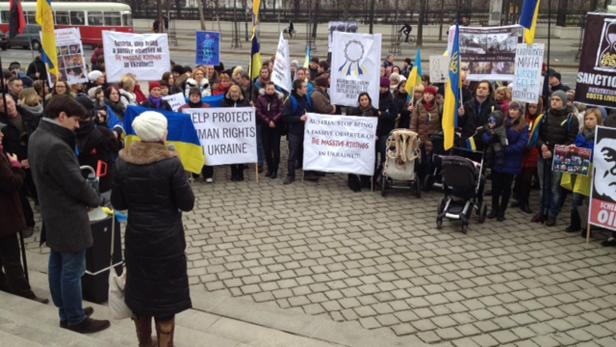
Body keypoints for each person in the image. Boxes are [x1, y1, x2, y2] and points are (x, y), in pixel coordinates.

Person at [111, 111, 194, 347]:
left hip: (138, 238)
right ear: (160, 133)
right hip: (167, 239)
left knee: (140, 295)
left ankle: (144, 343)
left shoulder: (122, 161)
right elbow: (187, 203)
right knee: (166, 298)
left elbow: (119, 203)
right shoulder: (171, 162)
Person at [28, 95, 110, 333]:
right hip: (68, 215)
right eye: (75, 120)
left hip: (54, 212)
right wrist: (95, 200)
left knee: (58, 263)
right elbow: (76, 183)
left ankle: (67, 311)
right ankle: (75, 318)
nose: (77, 126)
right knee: (72, 269)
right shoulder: (55, 145)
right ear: (61, 116)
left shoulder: (37, 136)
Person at [0, 121, 48, 304]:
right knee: (11, 256)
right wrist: (17, 167)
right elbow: (11, 182)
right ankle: (24, 292)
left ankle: (4, 283)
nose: (2, 135)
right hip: (5, 215)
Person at [533, 90, 579, 226]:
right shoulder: (544, 116)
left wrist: (553, 152)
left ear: (564, 102)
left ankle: (552, 214)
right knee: (543, 186)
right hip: (543, 156)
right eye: (553, 99)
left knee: (555, 188)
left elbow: (570, 140)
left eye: (558, 100)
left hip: (559, 158)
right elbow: (537, 135)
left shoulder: (571, 119)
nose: (554, 102)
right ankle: (543, 211)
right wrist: (542, 146)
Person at [483, 104, 529, 221]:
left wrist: (508, 149)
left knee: (506, 187)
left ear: (520, 112)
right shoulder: (501, 121)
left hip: (511, 160)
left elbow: (522, 143)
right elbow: (487, 135)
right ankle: (494, 208)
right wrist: (491, 137)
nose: (512, 112)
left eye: (515, 110)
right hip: (498, 159)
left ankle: (502, 210)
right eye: (510, 109)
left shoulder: (523, 125)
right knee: (495, 186)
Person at [74, 95, 120, 201]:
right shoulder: (103, 132)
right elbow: (115, 148)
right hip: (104, 182)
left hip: (80, 184)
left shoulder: (67, 132)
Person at [564, 109, 602, 234]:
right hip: (580, 169)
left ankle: (587, 227)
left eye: (591, 119)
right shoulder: (581, 133)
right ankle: (574, 223)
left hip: (592, 170)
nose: (588, 121)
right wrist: (573, 148)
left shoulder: (601, 136)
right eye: (586, 119)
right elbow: (578, 148)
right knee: (576, 198)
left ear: (598, 120)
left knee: (588, 199)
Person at [513, 98, 544, 214]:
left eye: (534, 107)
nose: (531, 109)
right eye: (530, 106)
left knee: (527, 178)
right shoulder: (523, 118)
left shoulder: (541, 119)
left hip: (533, 152)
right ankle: (519, 198)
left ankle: (525, 202)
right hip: (522, 150)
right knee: (519, 177)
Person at [411, 86, 443, 188]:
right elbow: (413, 123)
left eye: (430, 94)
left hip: (433, 138)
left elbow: (443, 122)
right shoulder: (418, 105)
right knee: (419, 161)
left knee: (430, 161)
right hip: (420, 137)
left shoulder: (439, 106)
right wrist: (414, 136)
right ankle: (418, 181)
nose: (427, 96)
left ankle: (428, 182)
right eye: (426, 93)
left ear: (434, 96)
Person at [347, 93, 379, 192]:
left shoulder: (375, 111)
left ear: (369, 100)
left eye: (366, 99)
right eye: (362, 100)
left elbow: (379, 125)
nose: (364, 101)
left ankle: (367, 180)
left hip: (371, 141)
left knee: (369, 160)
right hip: (358, 141)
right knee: (357, 158)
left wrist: (376, 135)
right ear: (359, 101)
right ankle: (355, 179)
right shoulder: (354, 111)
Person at [459, 80, 501, 149]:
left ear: (489, 92)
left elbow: (497, 125)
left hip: (484, 143)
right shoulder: (467, 104)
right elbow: (461, 124)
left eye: (484, 88)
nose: (480, 90)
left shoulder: (495, 107)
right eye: (479, 88)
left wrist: (484, 128)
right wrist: (461, 116)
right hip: (467, 142)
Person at [283, 80, 310, 185]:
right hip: (294, 131)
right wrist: (299, 118)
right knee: (292, 154)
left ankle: (306, 172)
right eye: (304, 87)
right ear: (298, 89)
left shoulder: (305, 98)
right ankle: (290, 175)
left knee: (305, 152)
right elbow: (285, 117)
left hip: (305, 131)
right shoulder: (290, 100)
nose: (306, 88)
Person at [255, 82, 283, 179]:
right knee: (266, 149)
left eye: (272, 89)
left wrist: (274, 120)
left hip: (276, 126)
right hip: (265, 126)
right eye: (268, 89)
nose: (270, 91)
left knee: (276, 149)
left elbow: (281, 111)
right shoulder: (260, 98)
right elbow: (259, 111)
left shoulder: (279, 98)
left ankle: (275, 169)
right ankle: (269, 168)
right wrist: (268, 121)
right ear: (265, 89)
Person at [223, 85, 250, 181]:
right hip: (230, 132)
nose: (234, 94)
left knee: (241, 152)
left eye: (236, 92)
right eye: (232, 92)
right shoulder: (225, 103)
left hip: (241, 132)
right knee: (232, 152)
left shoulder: (245, 103)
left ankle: (240, 172)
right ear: (229, 93)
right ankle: (233, 172)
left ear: (240, 93)